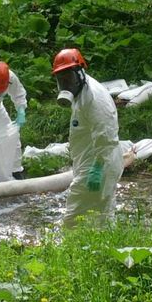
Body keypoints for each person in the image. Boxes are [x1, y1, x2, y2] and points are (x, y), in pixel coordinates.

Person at [51, 48, 124, 221]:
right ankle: (105, 245)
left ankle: (69, 247)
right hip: (89, 160)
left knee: (74, 218)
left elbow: (107, 137)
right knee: (102, 216)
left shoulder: (94, 99)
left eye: (69, 78)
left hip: (97, 164)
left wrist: (97, 169)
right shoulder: (80, 93)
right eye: (61, 80)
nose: (66, 84)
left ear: (80, 73)